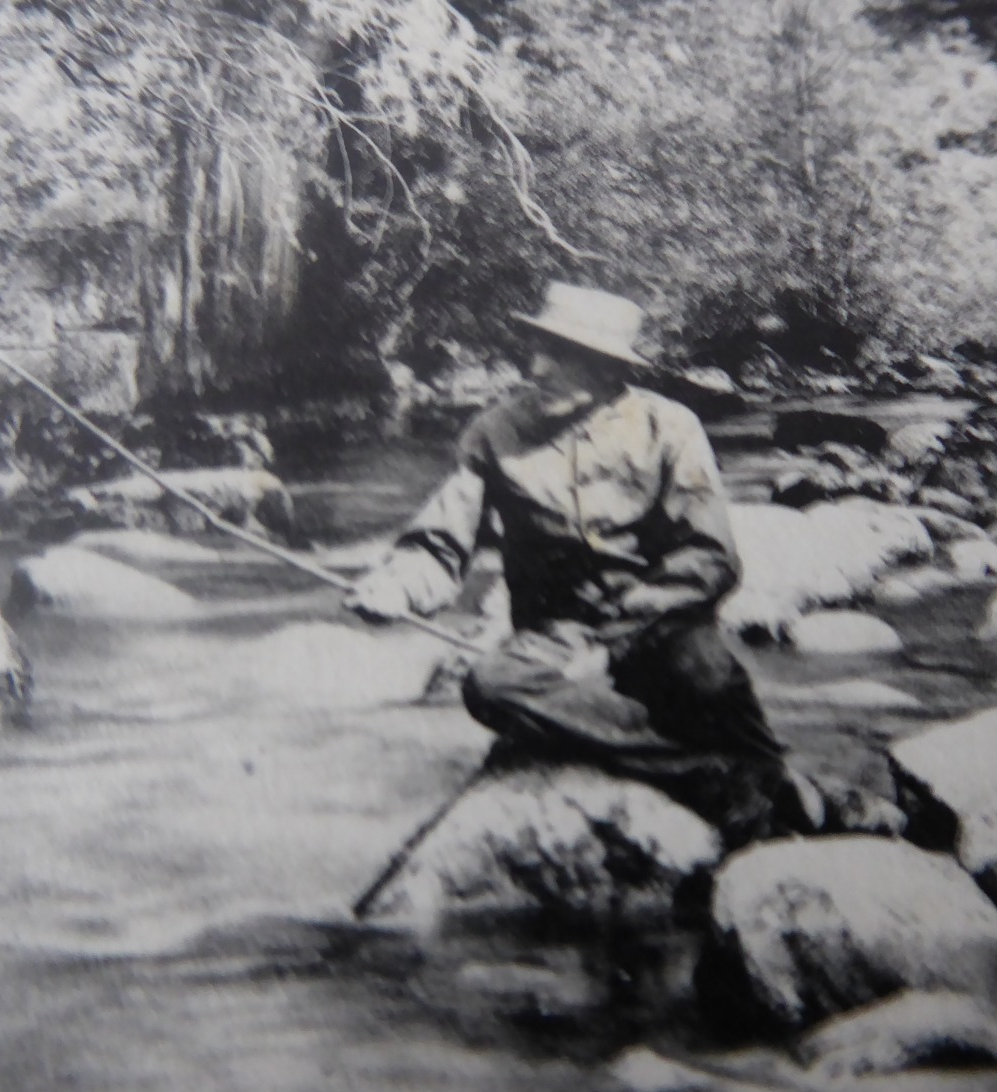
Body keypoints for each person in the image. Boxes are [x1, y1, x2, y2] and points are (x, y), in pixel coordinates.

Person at [346, 282, 821, 846]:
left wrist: (619, 633)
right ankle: (700, 776)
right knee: (490, 684)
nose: (538, 366)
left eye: (560, 353)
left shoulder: (668, 427)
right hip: (555, 633)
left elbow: (709, 556)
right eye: (537, 348)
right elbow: (441, 541)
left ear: (605, 368)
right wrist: (395, 587)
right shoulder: (494, 432)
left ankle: (772, 778)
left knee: (709, 678)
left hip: (660, 623)